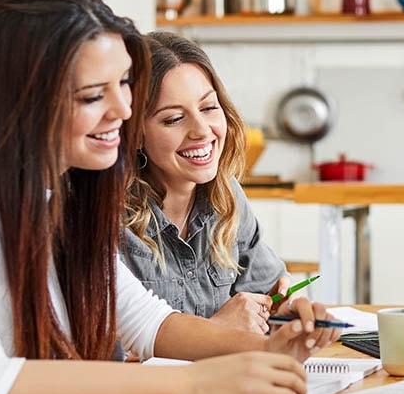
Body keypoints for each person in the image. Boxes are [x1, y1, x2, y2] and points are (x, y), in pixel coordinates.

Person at [0, 0, 336, 394]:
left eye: (124, 85)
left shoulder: (58, 196)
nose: (124, 111)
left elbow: (144, 319)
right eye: (94, 95)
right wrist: (193, 381)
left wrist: (267, 349)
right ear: (23, 100)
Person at [120, 31, 289, 335]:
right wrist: (214, 330)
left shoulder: (227, 197)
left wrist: (289, 311)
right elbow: (107, 354)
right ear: (135, 135)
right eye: (173, 119)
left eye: (209, 108)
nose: (202, 130)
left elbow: (272, 295)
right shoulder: (109, 218)